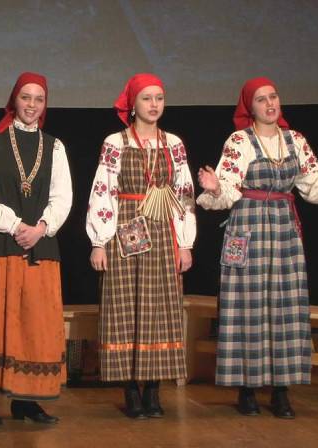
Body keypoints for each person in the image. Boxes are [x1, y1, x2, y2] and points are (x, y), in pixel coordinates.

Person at [196, 77, 318, 418]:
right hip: (247, 227)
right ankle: (246, 388)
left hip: (284, 230)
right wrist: (214, 188)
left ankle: (281, 390)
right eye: (261, 99)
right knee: (246, 306)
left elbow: (313, 186)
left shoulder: (295, 140)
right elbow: (228, 188)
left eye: (273, 96)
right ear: (250, 107)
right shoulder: (239, 141)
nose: (270, 103)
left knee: (286, 306)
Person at [0, 72, 72, 426]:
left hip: (38, 244)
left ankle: (27, 400)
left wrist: (40, 228)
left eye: (39, 99)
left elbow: (62, 196)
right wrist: (14, 226)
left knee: (33, 323)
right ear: (14, 100)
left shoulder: (54, 146)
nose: (32, 105)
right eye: (26, 97)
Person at [86, 73, 196, 419]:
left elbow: (184, 193)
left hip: (162, 230)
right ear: (132, 104)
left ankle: (154, 388)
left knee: (160, 308)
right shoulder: (116, 142)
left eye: (159, 98)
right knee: (126, 306)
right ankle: (130, 388)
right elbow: (103, 190)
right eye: (147, 98)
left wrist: (185, 243)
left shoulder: (173, 143)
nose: (154, 104)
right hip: (126, 228)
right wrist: (99, 241)